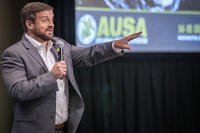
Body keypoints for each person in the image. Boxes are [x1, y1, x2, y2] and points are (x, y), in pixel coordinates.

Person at [1, 2, 141, 133]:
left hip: (65, 127)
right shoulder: (14, 53)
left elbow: (88, 54)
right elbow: (18, 90)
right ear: (29, 24)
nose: (51, 24)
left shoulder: (59, 45)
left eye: (52, 19)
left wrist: (114, 45)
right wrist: (52, 76)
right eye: (45, 20)